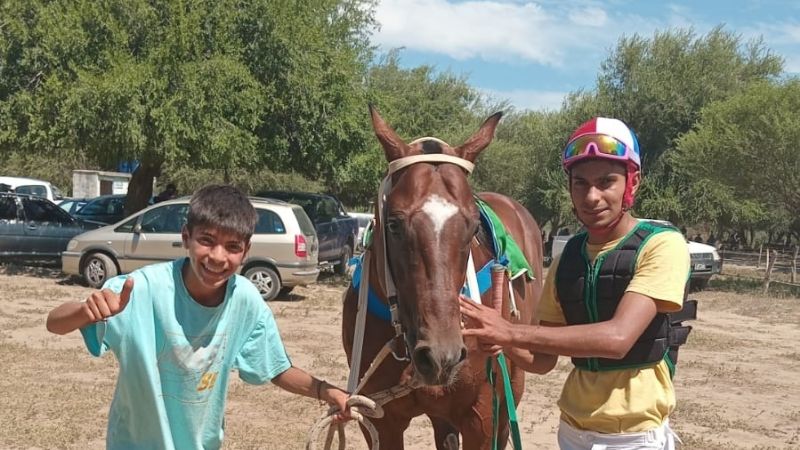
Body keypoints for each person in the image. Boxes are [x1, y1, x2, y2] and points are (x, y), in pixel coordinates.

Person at [46, 184, 351, 449]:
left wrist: (326, 391)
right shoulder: (139, 289)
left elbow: (276, 368)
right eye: (207, 240)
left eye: (232, 247)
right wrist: (85, 310)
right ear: (186, 237)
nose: (218, 257)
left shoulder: (245, 300)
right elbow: (54, 323)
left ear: (245, 252)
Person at [460, 117, 690, 450]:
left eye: (606, 181)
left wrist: (510, 332)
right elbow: (541, 361)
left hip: (635, 437)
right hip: (573, 432)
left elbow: (617, 338)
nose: (592, 196)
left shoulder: (661, 244)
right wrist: (495, 335)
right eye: (580, 183)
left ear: (633, 182)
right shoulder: (569, 256)